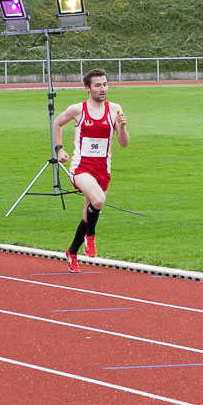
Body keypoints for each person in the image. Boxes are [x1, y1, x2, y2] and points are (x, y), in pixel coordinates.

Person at [52, 68, 129, 273]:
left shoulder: (114, 109)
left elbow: (123, 144)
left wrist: (121, 127)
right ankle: (91, 236)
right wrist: (60, 149)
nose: (103, 89)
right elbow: (57, 123)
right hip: (81, 168)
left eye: (105, 84)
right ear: (87, 88)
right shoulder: (78, 109)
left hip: (103, 169)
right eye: (98, 85)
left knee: (89, 213)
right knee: (98, 201)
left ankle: (72, 252)